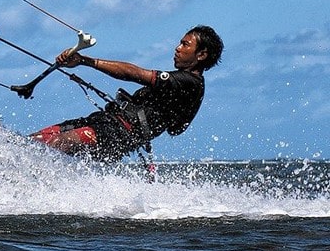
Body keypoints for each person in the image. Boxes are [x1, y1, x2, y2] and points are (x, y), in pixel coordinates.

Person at [31, 25, 223, 162]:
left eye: (185, 44)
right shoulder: (184, 83)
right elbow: (176, 129)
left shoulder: (189, 83)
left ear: (201, 54)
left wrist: (85, 61)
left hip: (119, 135)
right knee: (35, 141)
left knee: (53, 143)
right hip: (106, 121)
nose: (177, 48)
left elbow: (135, 74)